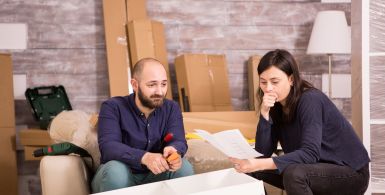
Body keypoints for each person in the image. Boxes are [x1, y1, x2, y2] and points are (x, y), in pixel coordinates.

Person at [229, 49, 370, 195]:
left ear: (291, 79)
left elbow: (310, 154)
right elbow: (262, 154)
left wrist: (258, 163)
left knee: (294, 173)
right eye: (263, 82)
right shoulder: (275, 106)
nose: (268, 88)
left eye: (275, 81)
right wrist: (264, 114)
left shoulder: (310, 100)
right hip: (312, 169)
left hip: (351, 173)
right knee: (247, 170)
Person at [91, 57, 194, 193]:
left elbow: (178, 139)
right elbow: (109, 147)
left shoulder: (171, 108)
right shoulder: (112, 107)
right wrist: (144, 157)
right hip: (121, 175)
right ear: (135, 84)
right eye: (152, 85)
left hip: (157, 174)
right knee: (116, 171)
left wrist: (173, 149)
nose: (159, 91)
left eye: (163, 84)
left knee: (184, 167)